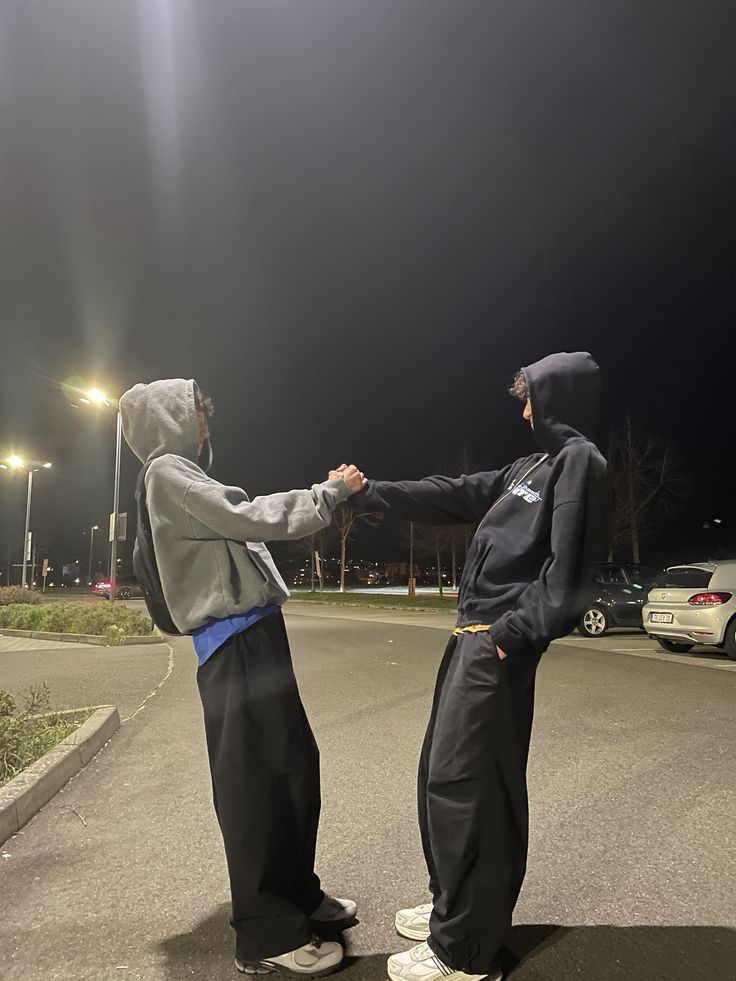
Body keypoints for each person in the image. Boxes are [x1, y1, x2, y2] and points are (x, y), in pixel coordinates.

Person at [344, 352, 608, 981]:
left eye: (531, 400)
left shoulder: (579, 463)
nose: (524, 413)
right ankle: (453, 911)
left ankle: (463, 951)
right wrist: (369, 492)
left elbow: (569, 576)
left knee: (471, 791)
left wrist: (512, 635)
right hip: (472, 641)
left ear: (557, 401)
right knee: (442, 778)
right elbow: (454, 494)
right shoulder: (529, 467)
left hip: (496, 644)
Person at [120, 378, 366, 978]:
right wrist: (329, 493)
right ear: (170, 422)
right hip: (232, 645)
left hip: (255, 635)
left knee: (292, 773)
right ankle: (264, 934)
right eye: (195, 415)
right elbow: (250, 514)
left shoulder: (180, 472)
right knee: (255, 788)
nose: (206, 426)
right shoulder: (167, 472)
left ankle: (297, 897)